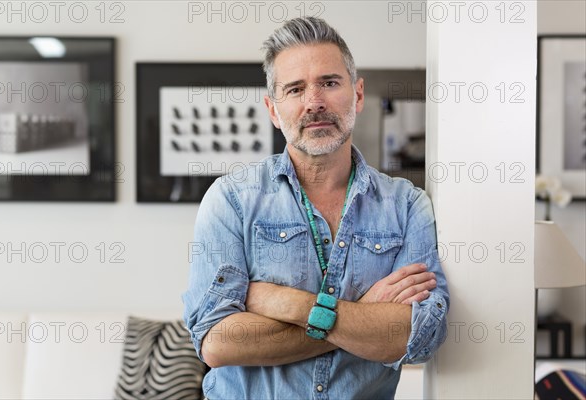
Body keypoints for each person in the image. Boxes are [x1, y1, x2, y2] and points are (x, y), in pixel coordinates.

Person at [182, 17, 449, 399]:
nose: (315, 102)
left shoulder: (407, 205)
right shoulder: (232, 200)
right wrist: (361, 314)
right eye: (295, 89)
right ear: (273, 110)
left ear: (357, 95)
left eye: (329, 82)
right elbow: (218, 342)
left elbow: (418, 336)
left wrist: (287, 302)